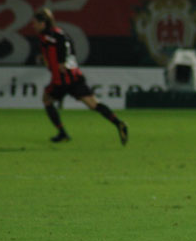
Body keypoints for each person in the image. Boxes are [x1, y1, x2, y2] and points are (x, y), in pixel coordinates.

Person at [32, 8, 128, 144]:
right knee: (93, 105)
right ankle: (119, 124)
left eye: (35, 23)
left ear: (43, 23)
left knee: (47, 100)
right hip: (70, 78)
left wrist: (63, 62)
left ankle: (62, 133)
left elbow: (67, 46)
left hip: (64, 78)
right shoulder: (46, 37)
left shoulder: (55, 35)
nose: (33, 26)